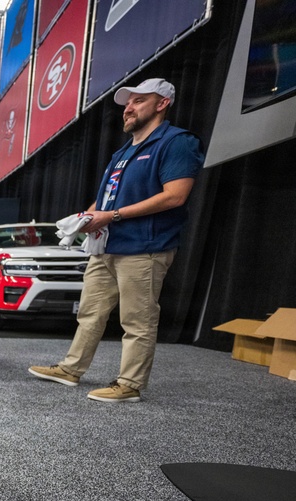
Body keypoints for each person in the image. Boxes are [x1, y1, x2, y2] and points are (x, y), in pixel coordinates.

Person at [28, 78, 205, 403]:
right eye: (128, 102)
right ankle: (71, 368)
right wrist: (86, 218)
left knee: (137, 319)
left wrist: (112, 216)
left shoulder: (177, 142)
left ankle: (129, 385)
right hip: (106, 246)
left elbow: (175, 196)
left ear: (162, 104)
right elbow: (106, 198)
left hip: (144, 248)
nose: (128, 108)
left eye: (139, 101)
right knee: (90, 312)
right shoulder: (123, 152)